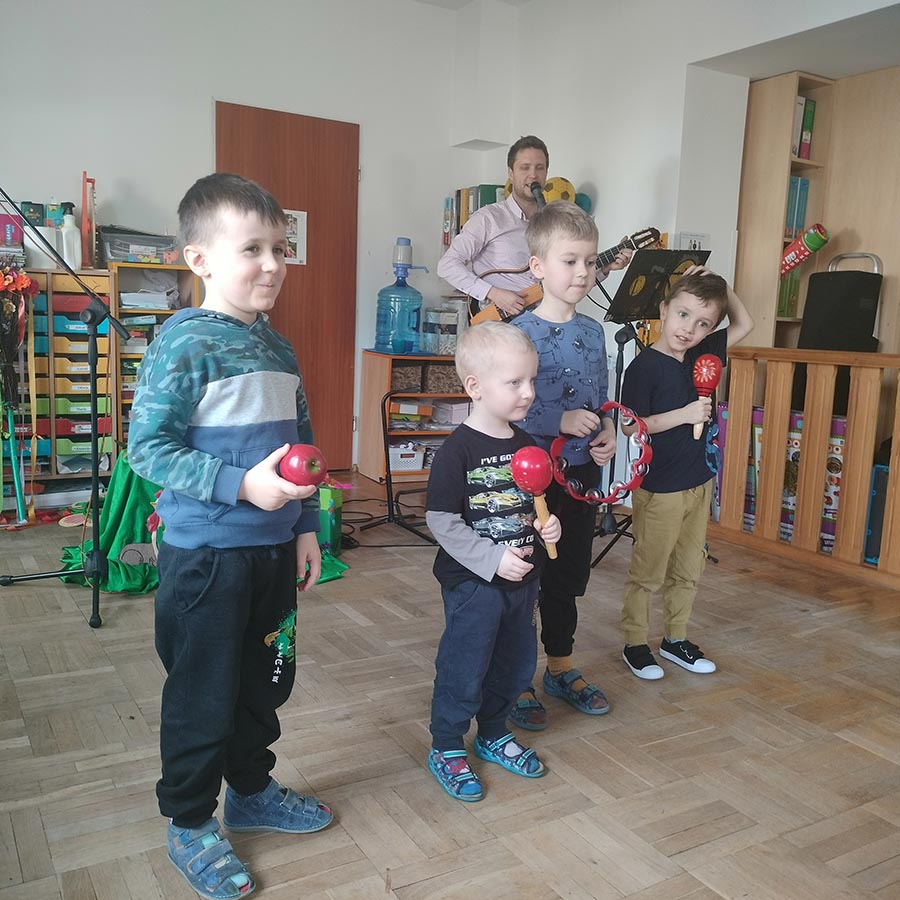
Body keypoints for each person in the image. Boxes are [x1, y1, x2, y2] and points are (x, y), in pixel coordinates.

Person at [128, 173, 332, 900]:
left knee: (262, 685)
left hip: (272, 555)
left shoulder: (277, 348)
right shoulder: (184, 344)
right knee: (203, 696)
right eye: (253, 248)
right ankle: (189, 821)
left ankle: (251, 791)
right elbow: (147, 449)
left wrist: (305, 528)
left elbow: (302, 447)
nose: (273, 264)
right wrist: (241, 485)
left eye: (280, 248)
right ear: (200, 259)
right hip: (207, 561)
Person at [425, 321, 562, 802]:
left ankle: (493, 732)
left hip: (523, 583)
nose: (528, 393)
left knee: (515, 663)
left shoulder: (527, 444)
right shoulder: (456, 451)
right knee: (465, 664)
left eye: (531, 380)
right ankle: (446, 744)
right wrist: (490, 559)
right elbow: (441, 520)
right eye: (514, 382)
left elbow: (535, 504)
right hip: (474, 585)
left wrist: (549, 526)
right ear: (475, 387)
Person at [510, 200, 620, 728]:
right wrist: (560, 420)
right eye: (570, 261)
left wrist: (608, 431)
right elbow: (509, 408)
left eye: (590, 262)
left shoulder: (595, 332)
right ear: (538, 266)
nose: (583, 272)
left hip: (581, 478)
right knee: (523, 579)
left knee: (567, 575)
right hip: (530, 482)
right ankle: (515, 679)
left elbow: (601, 399)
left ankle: (560, 666)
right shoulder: (518, 333)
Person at [619, 266, 754, 680]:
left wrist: (723, 285)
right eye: (682, 315)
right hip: (660, 486)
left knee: (689, 567)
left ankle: (675, 638)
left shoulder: (703, 354)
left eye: (703, 323)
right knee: (649, 570)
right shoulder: (642, 368)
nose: (689, 329)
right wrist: (684, 414)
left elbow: (745, 323)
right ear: (664, 309)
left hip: (699, 481)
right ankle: (635, 643)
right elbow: (631, 426)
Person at [437, 135, 631, 318]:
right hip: (499, 325)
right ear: (511, 173)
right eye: (525, 168)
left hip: (547, 323)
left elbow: (564, 281)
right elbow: (447, 265)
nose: (533, 175)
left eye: (540, 168)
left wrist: (604, 269)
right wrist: (494, 293)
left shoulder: (557, 224)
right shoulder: (488, 218)